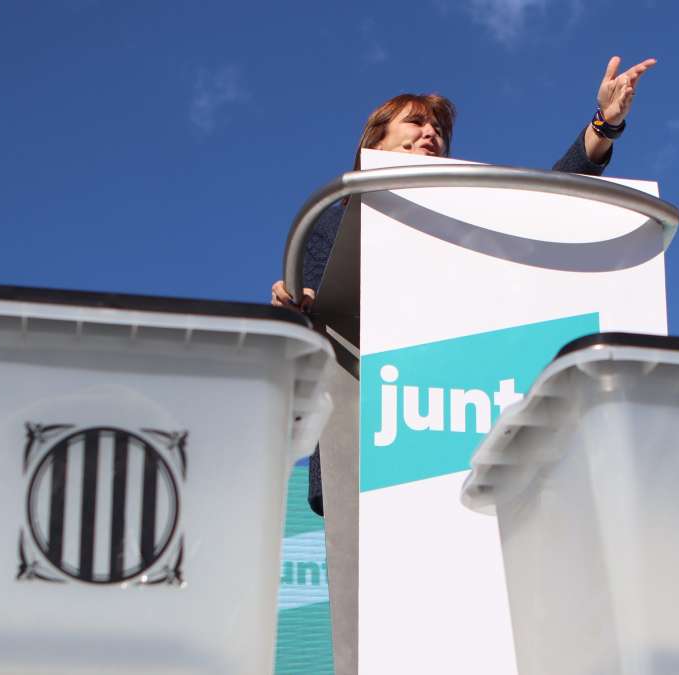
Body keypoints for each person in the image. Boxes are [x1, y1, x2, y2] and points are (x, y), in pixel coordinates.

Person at [272, 55, 657, 515]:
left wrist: (603, 126)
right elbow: (313, 306)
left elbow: (544, 210)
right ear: (375, 141)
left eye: (437, 129)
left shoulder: (462, 219)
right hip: (370, 434)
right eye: (415, 122)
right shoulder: (332, 221)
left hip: (461, 421)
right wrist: (298, 305)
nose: (430, 133)